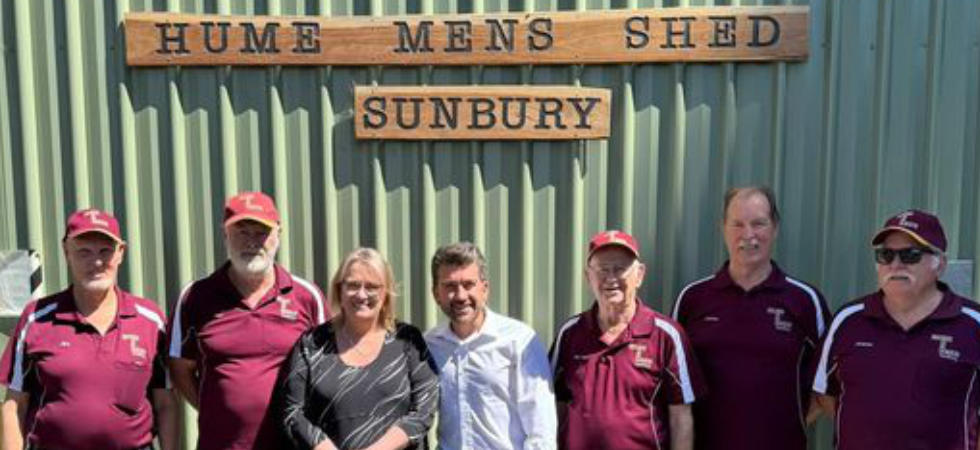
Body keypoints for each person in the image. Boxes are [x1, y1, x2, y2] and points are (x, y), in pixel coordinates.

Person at [0, 208, 178, 450]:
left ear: (120, 253)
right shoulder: (36, 318)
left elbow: (165, 403)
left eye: (105, 251)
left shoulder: (150, 321)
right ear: (66, 253)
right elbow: (14, 405)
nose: (96, 262)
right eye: (84, 251)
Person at [168, 191, 330, 450]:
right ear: (225, 235)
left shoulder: (307, 297)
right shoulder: (195, 298)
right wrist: (213, 406)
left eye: (261, 233)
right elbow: (179, 367)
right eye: (242, 232)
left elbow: (328, 370)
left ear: (278, 234)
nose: (251, 242)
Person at [671, 186, 830, 450]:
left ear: (775, 228)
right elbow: (673, 383)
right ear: (723, 228)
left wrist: (795, 422)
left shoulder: (804, 301)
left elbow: (827, 383)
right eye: (738, 224)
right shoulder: (692, 299)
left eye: (759, 223)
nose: (748, 235)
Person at [813, 209, 980, 450]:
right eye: (885, 255)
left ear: (940, 265)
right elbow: (825, 395)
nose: (895, 265)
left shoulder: (972, 324)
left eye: (910, 255)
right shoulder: (848, 321)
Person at [550, 230, 705, 450]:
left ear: (639, 275)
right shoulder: (570, 333)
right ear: (588, 277)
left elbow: (681, 416)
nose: (611, 278)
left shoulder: (666, 336)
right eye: (602, 269)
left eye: (620, 268)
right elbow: (553, 407)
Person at [280, 247, 439, 450]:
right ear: (339, 290)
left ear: (386, 294)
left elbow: (424, 410)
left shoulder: (407, 340)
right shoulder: (312, 343)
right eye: (353, 285)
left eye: (372, 286)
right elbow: (292, 412)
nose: (362, 294)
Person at [424, 242, 557, 450]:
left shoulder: (518, 341)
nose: (460, 296)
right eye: (450, 286)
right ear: (436, 294)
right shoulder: (429, 345)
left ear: (484, 289)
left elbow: (541, 423)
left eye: (468, 285)